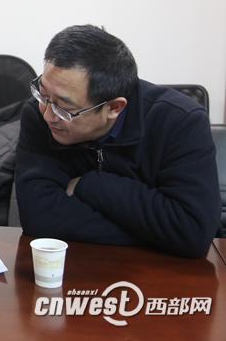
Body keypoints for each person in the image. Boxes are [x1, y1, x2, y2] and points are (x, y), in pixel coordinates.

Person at [15, 24, 219, 258]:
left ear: (114, 107)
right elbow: (39, 218)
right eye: (43, 94)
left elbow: (191, 232)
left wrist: (90, 184)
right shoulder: (38, 114)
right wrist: (156, 234)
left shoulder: (180, 121)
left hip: (160, 273)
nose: (48, 115)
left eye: (65, 108)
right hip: (74, 266)